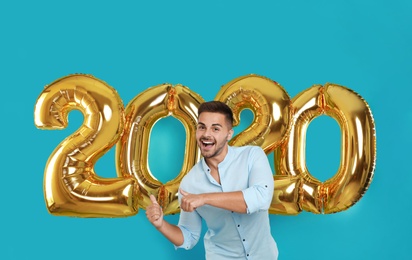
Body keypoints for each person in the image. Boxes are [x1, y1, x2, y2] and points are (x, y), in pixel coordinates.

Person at [146, 101, 278, 259]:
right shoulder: (190, 184)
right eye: (202, 127)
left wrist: (204, 198)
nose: (206, 134)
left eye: (215, 128)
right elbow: (188, 236)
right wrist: (161, 225)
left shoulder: (252, 156)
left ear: (229, 134)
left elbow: (261, 198)